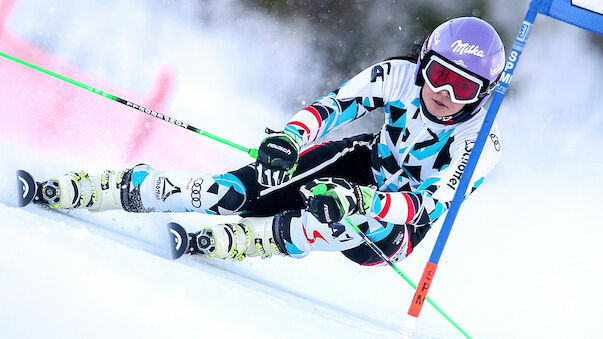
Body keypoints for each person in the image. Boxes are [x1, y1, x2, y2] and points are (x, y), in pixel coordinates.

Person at [35, 17, 505, 266]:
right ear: (424, 61)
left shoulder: (482, 141)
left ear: (481, 94)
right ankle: (119, 188)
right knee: (241, 189)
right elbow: (333, 108)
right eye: (439, 75)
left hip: (396, 224)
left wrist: (365, 202)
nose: (443, 94)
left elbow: (427, 205)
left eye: (462, 87)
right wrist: (288, 139)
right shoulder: (400, 76)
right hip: (363, 164)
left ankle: (257, 240)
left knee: (339, 220)